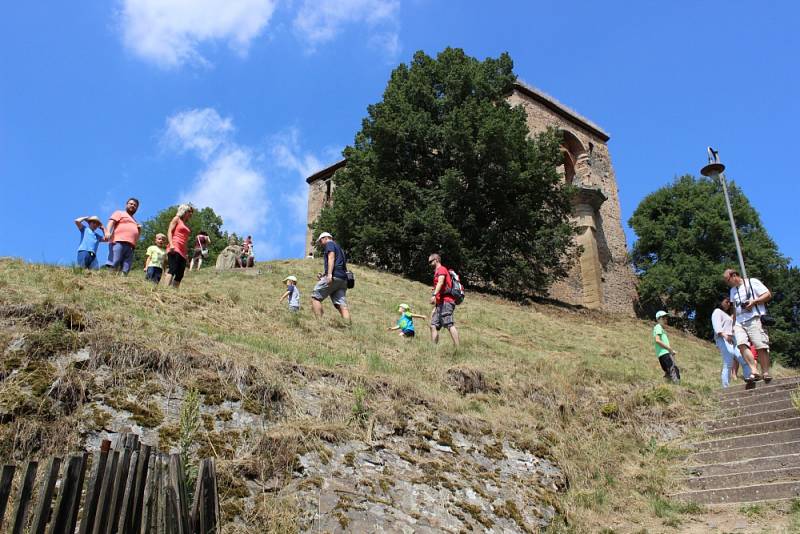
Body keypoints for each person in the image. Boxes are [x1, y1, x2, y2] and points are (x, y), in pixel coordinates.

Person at [724, 269, 773, 383]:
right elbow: (735, 308)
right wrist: (733, 323)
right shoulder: (732, 291)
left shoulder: (752, 282)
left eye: (728, 280)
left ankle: (765, 372)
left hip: (754, 318)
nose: (727, 283)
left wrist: (754, 302)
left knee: (760, 345)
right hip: (739, 322)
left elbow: (768, 295)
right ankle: (754, 370)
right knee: (741, 345)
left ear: (734, 275)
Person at [712, 295, 755, 387]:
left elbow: (733, 318)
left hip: (733, 339)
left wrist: (736, 306)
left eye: (729, 302)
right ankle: (725, 387)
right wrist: (724, 335)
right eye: (726, 301)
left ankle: (750, 381)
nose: (728, 304)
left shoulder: (726, 314)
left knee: (744, 360)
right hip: (723, 338)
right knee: (728, 362)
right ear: (720, 302)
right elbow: (717, 326)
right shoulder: (717, 311)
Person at [311, 232, 350, 323]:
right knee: (341, 305)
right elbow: (339, 264)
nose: (321, 244)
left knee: (315, 297)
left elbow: (331, 258)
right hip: (343, 279)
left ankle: (319, 323)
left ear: (325, 238)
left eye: (320, 241)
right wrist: (324, 274)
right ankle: (348, 326)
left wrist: (329, 275)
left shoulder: (330, 244)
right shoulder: (339, 248)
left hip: (334, 277)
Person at [428, 253, 460, 347]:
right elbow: (440, 286)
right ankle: (433, 347)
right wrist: (436, 305)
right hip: (440, 303)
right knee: (433, 325)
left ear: (436, 260)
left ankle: (458, 348)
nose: (429, 264)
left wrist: (434, 294)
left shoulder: (441, 269)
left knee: (449, 324)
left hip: (447, 301)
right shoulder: (436, 272)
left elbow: (441, 282)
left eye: (431, 261)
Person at [106, 198, 141, 275]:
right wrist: (108, 231)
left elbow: (137, 236)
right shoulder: (119, 213)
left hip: (131, 246)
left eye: (135, 205)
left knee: (126, 266)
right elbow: (111, 222)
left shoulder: (135, 221)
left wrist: (139, 230)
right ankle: (110, 278)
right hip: (118, 241)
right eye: (131, 204)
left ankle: (122, 281)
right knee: (115, 261)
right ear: (126, 205)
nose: (133, 206)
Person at [164, 204, 193, 289]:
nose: (191, 214)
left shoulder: (185, 224)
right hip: (175, 246)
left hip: (183, 251)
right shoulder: (176, 219)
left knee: (180, 273)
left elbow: (185, 240)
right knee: (173, 268)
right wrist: (171, 244)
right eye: (189, 211)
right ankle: (165, 289)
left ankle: (173, 291)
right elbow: (169, 232)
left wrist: (186, 254)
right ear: (184, 211)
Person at [653, 311, 679, 383]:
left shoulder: (660, 328)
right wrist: (669, 349)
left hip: (662, 354)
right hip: (665, 353)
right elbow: (657, 340)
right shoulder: (658, 327)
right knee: (673, 370)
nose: (665, 320)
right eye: (663, 318)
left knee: (668, 372)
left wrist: (671, 351)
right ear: (658, 319)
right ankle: (677, 387)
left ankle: (667, 386)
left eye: (666, 318)